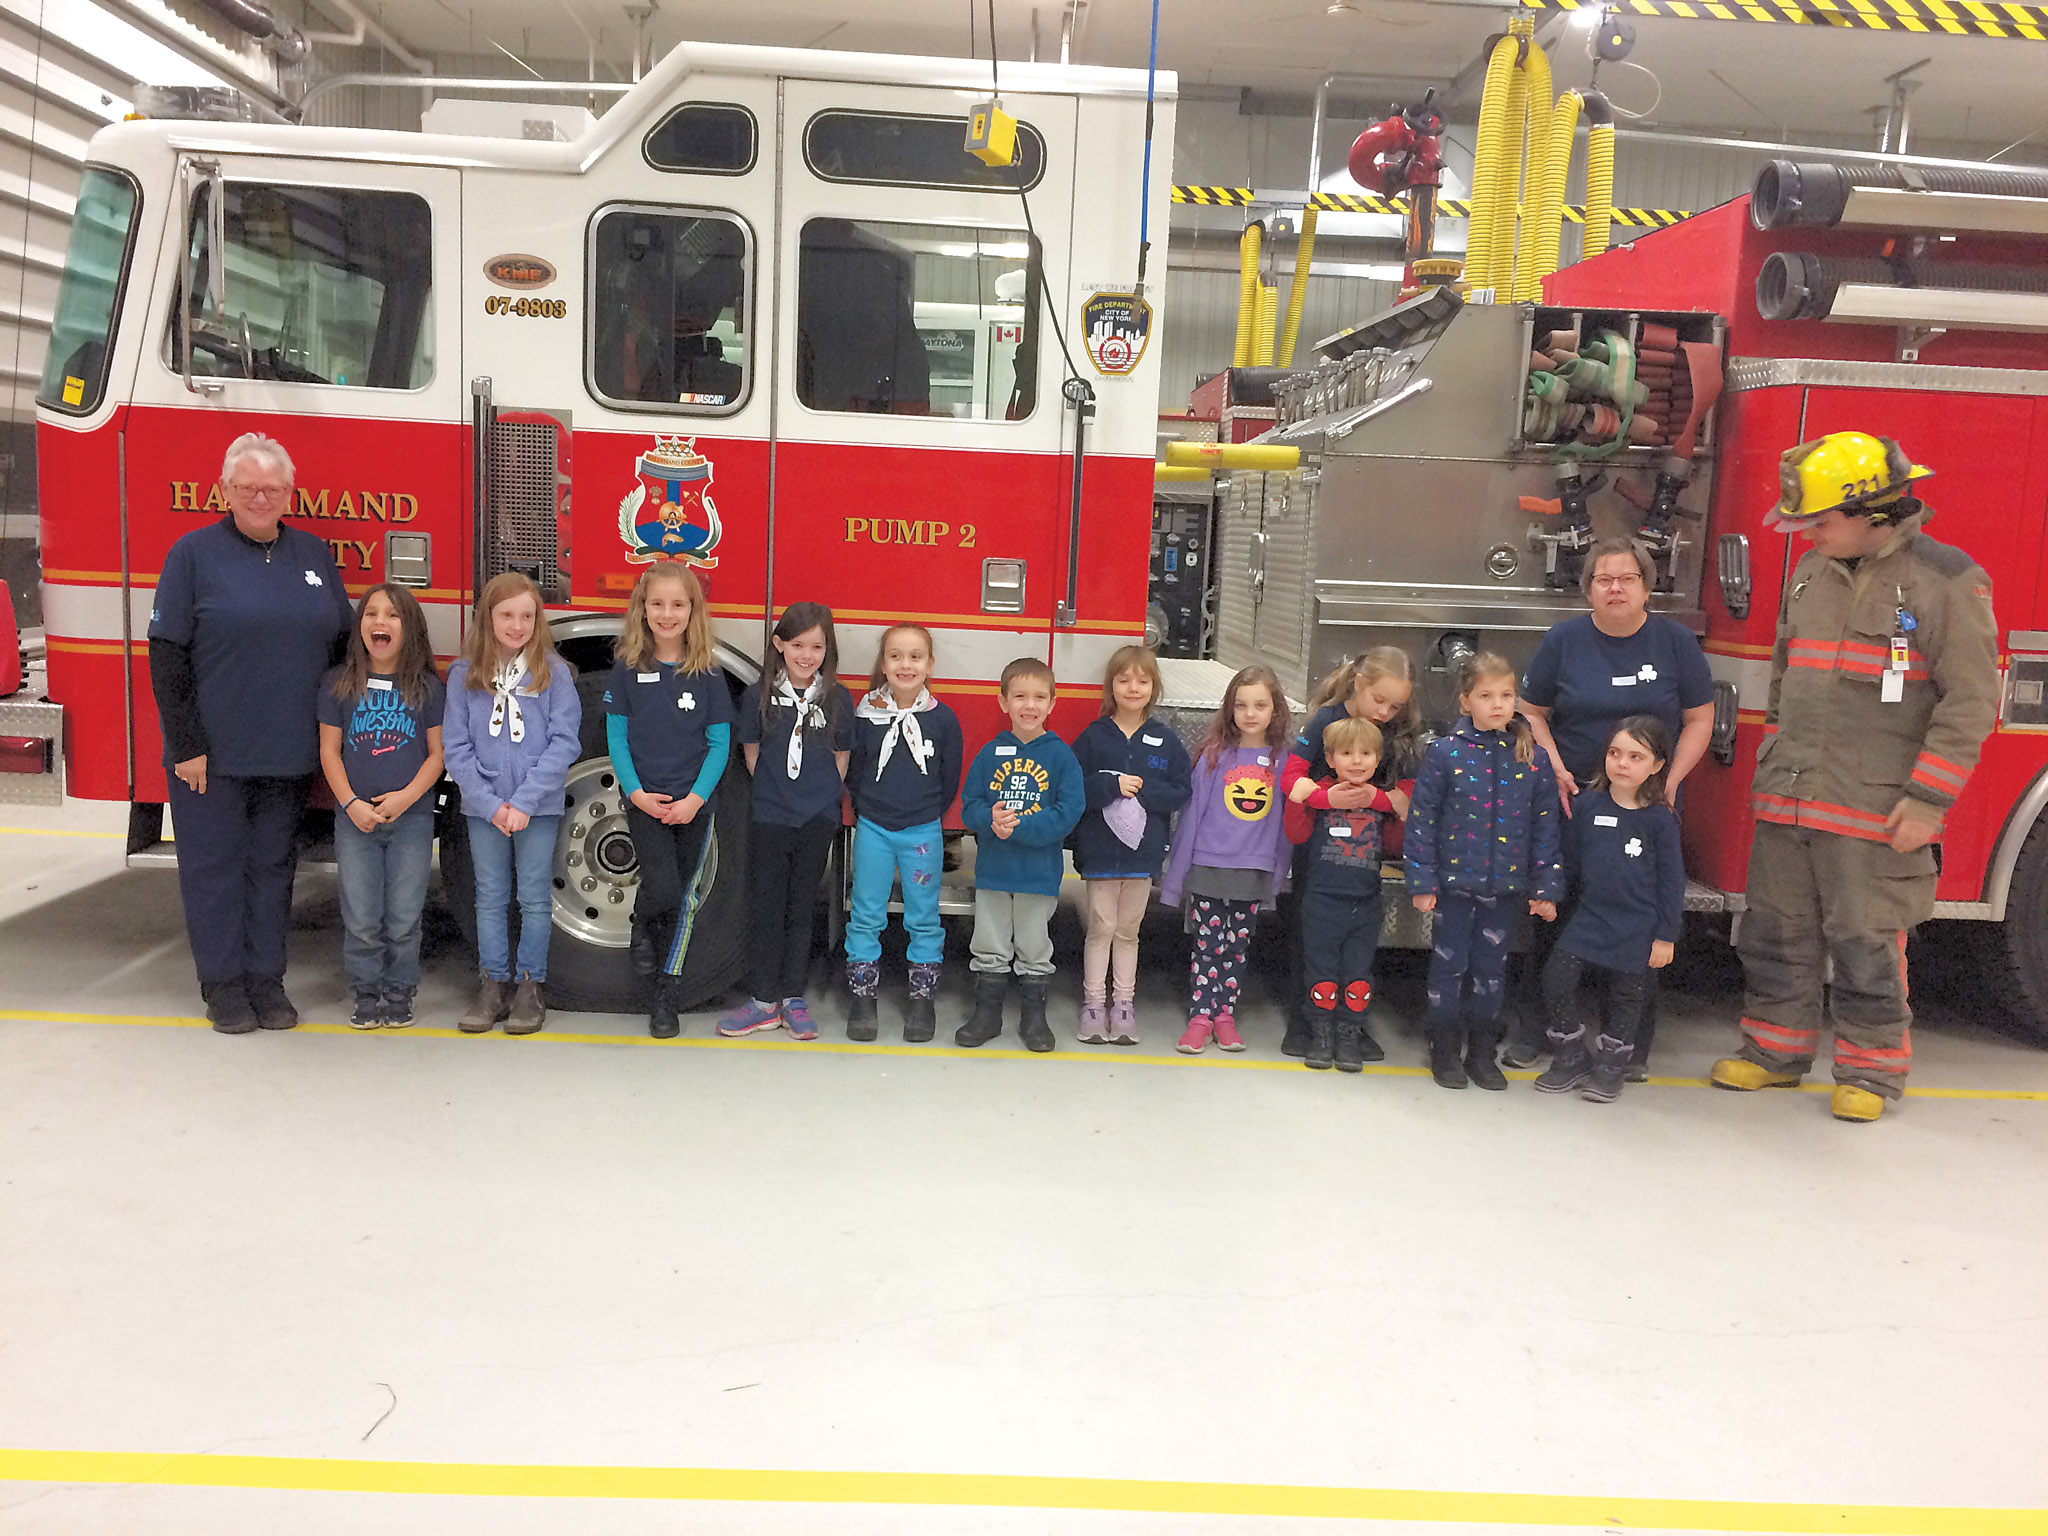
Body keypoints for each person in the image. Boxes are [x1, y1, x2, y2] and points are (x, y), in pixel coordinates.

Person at [1711, 432, 1999, 1123]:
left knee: (1866, 941)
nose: (1807, 533)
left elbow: (1970, 702)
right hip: (1791, 797)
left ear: (1873, 512)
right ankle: (1774, 1052)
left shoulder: (1946, 581)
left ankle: (1870, 1071)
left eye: (1819, 520)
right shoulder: (1811, 573)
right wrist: (1776, 764)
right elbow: (1786, 679)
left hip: (1875, 807)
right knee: (1775, 933)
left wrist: (1928, 799)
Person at [148, 432, 352, 1034]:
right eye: (248, 488)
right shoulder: (192, 555)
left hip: (289, 755)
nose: (260, 498)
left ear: (290, 493)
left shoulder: (313, 554)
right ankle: (223, 987)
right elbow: (167, 655)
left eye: (271, 488)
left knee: (273, 872)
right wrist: (187, 744)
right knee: (213, 873)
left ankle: (266, 981)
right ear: (225, 490)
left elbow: (342, 644)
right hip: (211, 759)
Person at [1505, 538, 1713, 1077]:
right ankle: (1536, 1030)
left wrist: (1669, 783)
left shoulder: (1674, 642)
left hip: (1646, 807)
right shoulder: (1564, 640)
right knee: (1556, 911)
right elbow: (1531, 712)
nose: (1615, 588)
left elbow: (1700, 719)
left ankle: (1629, 1046)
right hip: (1575, 802)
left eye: (1626, 579)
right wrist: (1554, 769)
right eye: (1603, 579)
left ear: (1647, 586)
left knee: (1637, 916)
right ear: (1589, 589)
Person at [1406, 652, 1562, 1091]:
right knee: (1449, 969)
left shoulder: (1532, 758)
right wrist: (1422, 880)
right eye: (1486, 695)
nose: (1498, 704)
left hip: (1505, 889)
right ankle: (1444, 1048)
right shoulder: (1445, 754)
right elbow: (1422, 820)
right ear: (1465, 701)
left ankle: (1481, 1052)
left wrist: (1545, 886)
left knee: (1491, 972)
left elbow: (1545, 826)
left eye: (1506, 695)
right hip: (1454, 888)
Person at [444, 572, 582, 1036]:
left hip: (536, 807)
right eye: (506, 615)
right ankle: (492, 984)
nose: (517, 625)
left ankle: (530, 986)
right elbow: (455, 747)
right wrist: (490, 804)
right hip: (485, 808)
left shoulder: (554, 673)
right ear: (488, 618)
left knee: (534, 897)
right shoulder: (464, 675)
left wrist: (523, 801)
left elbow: (564, 743)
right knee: (489, 896)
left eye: (527, 616)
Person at [604, 562, 736, 1039]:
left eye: (677, 604)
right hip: (645, 804)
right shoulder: (627, 669)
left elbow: (719, 744)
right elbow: (616, 738)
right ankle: (641, 924)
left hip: (694, 808)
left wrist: (695, 800)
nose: (667, 614)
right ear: (642, 609)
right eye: (657, 604)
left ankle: (666, 993)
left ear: (692, 611)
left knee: (684, 899)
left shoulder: (708, 673)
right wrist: (636, 793)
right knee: (660, 887)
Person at [717, 602, 852, 1042]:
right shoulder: (758, 696)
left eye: (816, 647)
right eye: (797, 645)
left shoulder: (837, 699)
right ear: (779, 644)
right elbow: (752, 754)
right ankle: (763, 1002)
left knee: (801, 907)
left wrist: (820, 798)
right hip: (771, 816)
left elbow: (841, 757)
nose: (806, 655)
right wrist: (777, 794)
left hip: (817, 819)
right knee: (767, 907)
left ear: (827, 650)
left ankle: (793, 998)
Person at [1279, 646, 1420, 1059]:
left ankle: (1351, 1027)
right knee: (1309, 941)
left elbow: (1408, 792)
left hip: (1365, 853)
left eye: (1395, 706)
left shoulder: (1398, 731)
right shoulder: (1326, 719)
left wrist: (1378, 799)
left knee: (1357, 955)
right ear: (1359, 684)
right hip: (1318, 851)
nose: (1385, 712)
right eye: (1379, 700)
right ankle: (1304, 1025)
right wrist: (1326, 799)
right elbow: (1291, 776)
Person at [1534, 716, 1683, 1103]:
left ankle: (1612, 1065)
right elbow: (1568, 861)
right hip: (1590, 917)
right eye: (1615, 753)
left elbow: (1671, 884)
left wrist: (1665, 936)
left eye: (1635, 757)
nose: (1622, 763)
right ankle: (1570, 1055)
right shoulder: (1588, 806)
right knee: (1556, 978)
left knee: (1627, 998)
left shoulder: (1660, 820)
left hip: (1637, 926)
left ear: (1657, 765)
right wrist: (1548, 894)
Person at [317, 585, 445, 1030]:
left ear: (410, 629)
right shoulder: (338, 684)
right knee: (361, 918)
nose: (380, 622)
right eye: (371, 613)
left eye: (392, 615)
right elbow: (329, 751)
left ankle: (400, 991)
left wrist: (406, 797)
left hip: (412, 820)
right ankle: (366, 993)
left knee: (405, 917)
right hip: (355, 822)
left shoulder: (427, 688)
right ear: (360, 627)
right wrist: (351, 803)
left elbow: (438, 755)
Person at [1160, 665, 1293, 1055]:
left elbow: (1284, 828)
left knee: (1236, 948)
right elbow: (1190, 820)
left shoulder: (1284, 761)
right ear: (1229, 709)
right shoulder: (1214, 757)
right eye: (1241, 705)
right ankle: (1200, 1017)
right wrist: (1174, 882)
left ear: (1275, 710)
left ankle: (1224, 1016)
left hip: (1252, 873)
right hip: (1209, 870)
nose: (1250, 714)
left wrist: (1276, 879)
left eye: (1260, 705)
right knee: (1207, 948)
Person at [957, 657, 1085, 1052]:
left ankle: (1034, 1017)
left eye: (1039, 697)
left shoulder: (1061, 756)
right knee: (990, 943)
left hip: (1038, 873)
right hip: (994, 870)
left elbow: (1070, 810)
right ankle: (987, 1015)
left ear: (1052, 703)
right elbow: (970, 805)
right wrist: (989, 819)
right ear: (1003, 702)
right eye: (1020, 697)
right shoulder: (990, 753)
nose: (1029, 705)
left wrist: (1020, 827)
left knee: (1034, 945)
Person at [844, 623, 964, 1042]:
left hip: (923, 831)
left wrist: (926, 814)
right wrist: (868, 811)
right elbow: (854, 771)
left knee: (924, 917)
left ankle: (922, 1000)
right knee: (866, 913)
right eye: (895, 656)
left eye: (915, 656)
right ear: (883, 663)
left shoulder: (943, 720)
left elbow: (949, 778)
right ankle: (862, 998)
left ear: (930, 664)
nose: (905, 665)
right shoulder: (865, 715)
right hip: (874, 829)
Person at [1068, 644, 1192, 1047]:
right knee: (1100, 927)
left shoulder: (1165, 740)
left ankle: (1123, 1005)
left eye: (1142, 681)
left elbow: (1181, 790)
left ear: (1154, 687)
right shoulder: (1093, 737)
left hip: (1142, 855)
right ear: (1111, 686)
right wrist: (1110, 785)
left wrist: (1144, 791)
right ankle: (1093, 1004)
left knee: (1127, 931)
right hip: (1100, 854)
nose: (1133, 688)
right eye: (1124, 680)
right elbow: (1074, 788)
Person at [1285, 715, 1400, 1072]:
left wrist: (1393, 808)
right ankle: (1320, 1035)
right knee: (1320, 972)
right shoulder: (1318, 794)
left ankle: (1349, 1035)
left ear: (1377, 759)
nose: (1357, 761)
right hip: (1322, 901)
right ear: (1330, 759)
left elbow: (1394, 845)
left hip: (1365, 904)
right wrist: (1300, 801)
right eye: (1347, 753)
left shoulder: (1379, 800)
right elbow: (1296, 835)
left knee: (1358, 974)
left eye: (1366, 753)